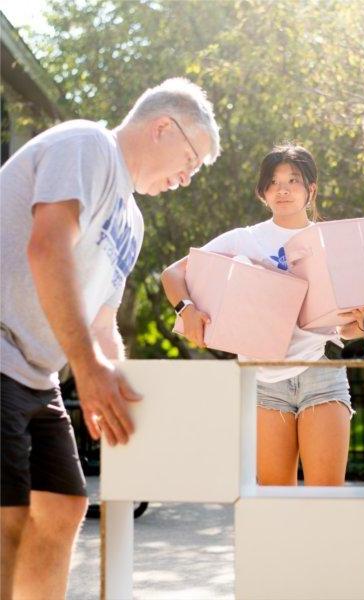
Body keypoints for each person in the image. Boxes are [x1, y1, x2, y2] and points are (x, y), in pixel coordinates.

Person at [0, 77, 220, 599]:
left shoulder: (132, 218)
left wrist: (122, 396)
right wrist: (87, 366)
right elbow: (46, 247)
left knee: (62, 505)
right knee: (8, 514)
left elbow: (103, 324)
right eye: (192, 161)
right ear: (163, 128)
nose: (187, 178)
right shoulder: (87, 145)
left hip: (36, 373)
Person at [162, 144, 364, 486]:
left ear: (311, 189)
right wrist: (187, 311)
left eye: (293, 180)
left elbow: (343, 330)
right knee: (277, 503)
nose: (283, 189)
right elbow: (172, 274)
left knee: (326, 499)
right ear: (263, 192)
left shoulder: (332, 243)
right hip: (265, 384)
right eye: (274, 182)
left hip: (321, 376)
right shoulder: (243, 239)